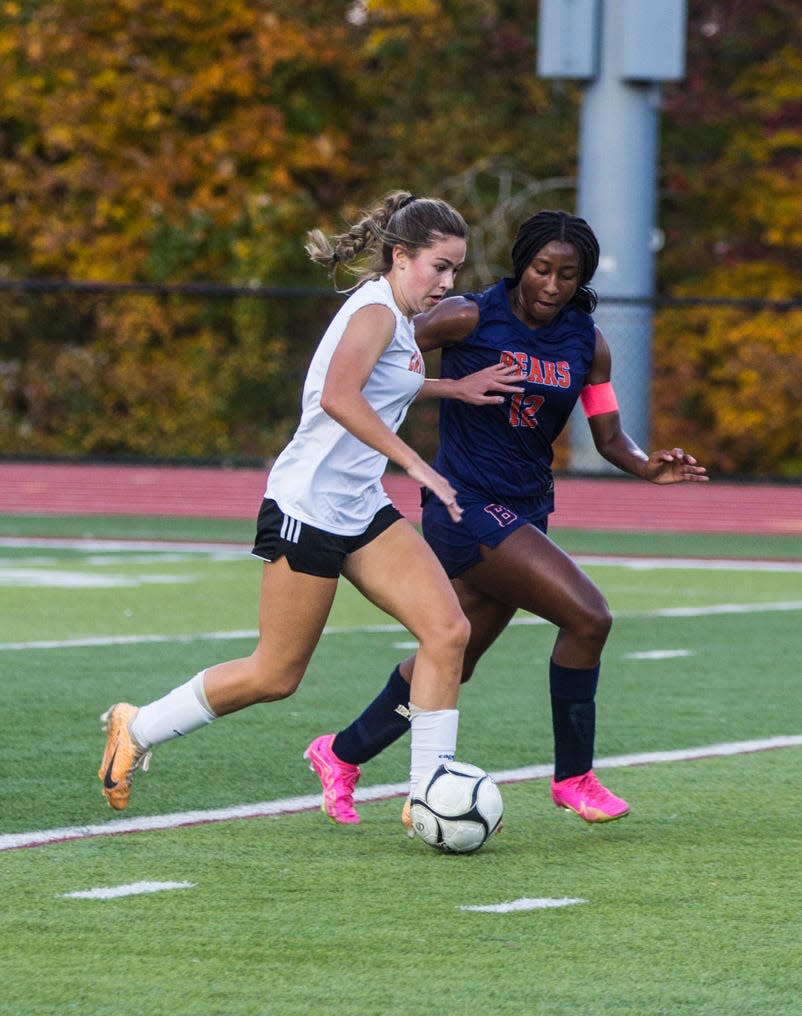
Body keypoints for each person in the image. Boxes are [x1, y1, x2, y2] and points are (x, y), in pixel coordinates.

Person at [98, 190, 519, 813]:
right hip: (307, 510)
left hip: (361, 506)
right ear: (401, 257)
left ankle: (429, 790)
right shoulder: (375, 311)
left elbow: (387, 380)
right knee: (275, 675)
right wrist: (412, 462)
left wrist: (452, 386)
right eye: (440, 267)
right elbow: (339, 397)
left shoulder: (400, 316)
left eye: (457, 269)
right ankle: (134, 730)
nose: (448, 282)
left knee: (448, 630)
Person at [304, 209, 709, 827]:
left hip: (527, 508)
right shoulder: (468, 315)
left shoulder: (588, 343)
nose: (552, 285)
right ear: (521, 264)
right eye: (542, 269)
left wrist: (646, 466)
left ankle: (340, 752)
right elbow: (386, 357)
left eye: (567, 276)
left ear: (582, 279)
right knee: (589, 617)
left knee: (453, 660)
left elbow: (608, 436)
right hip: (463, 504)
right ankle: (575, 779)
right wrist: (443, 392)